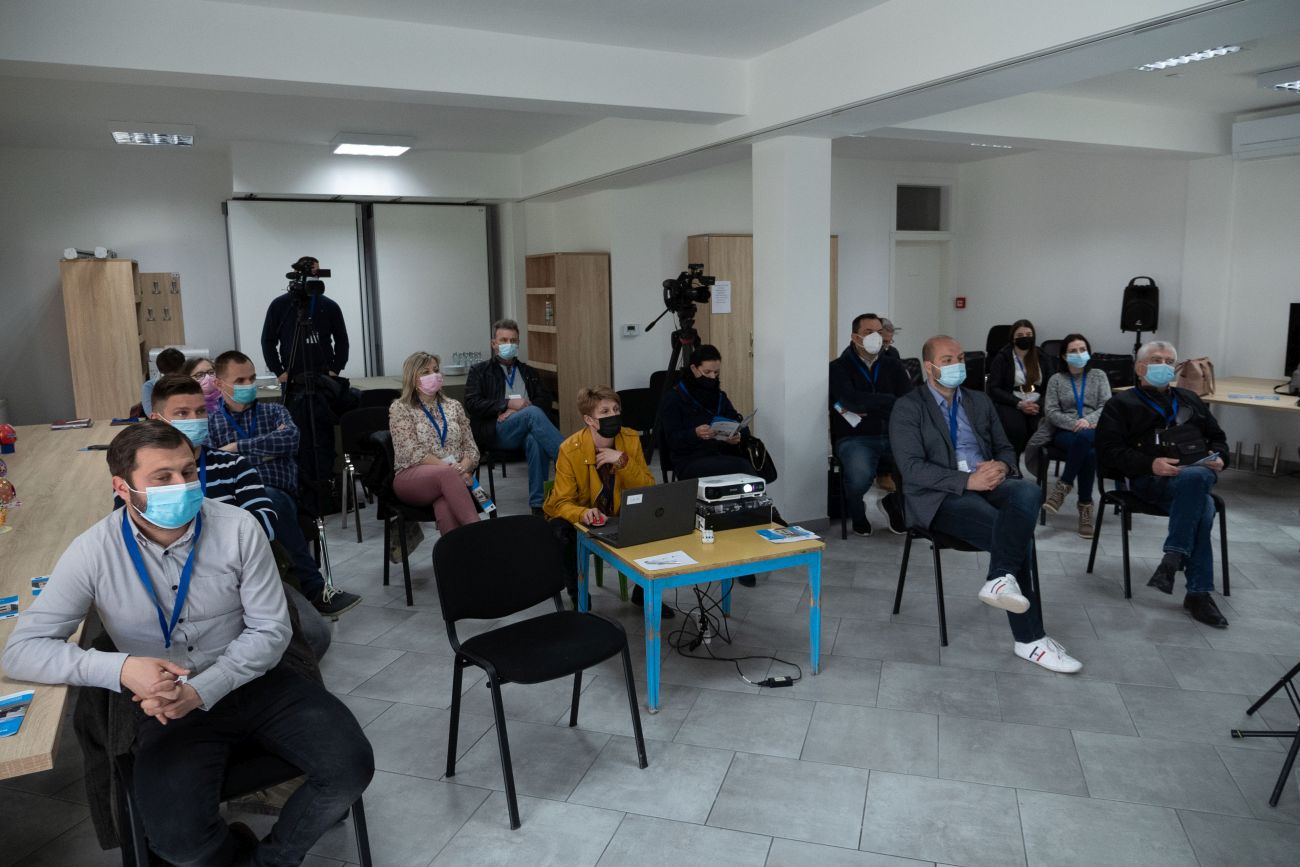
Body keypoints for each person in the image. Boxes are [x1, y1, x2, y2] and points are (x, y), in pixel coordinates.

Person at [1, 422, 374, 867]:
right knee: (179, 844)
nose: (182, 485)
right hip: (165, 703)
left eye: (189, 471)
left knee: (350, 768)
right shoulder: (93, 551)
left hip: (253, 678)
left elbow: (271, 631)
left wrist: (202, 689)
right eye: (162, 477)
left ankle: (271, 861)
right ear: (122, 488)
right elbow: (21, 650)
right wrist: (121, 669)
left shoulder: (238, 528)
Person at [889, 335, 1082, 673]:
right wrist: (966, 481)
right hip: (939, 497)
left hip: (988, 483)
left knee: (1027, 492)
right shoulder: (908, 407)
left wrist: (1002, 467)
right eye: (947, 360)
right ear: (929, 367)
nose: (957, 365)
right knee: (1017, 535)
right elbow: (912, 469)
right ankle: (1030, 640)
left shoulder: (979, 401)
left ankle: (998, 579)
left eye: (961, 358)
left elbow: (1006, 448)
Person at [143, 374, 331, 658]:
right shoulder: (143, 477)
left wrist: (187, 538)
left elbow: (263, 525)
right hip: (170, 585)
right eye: (182, 413)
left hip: (241, 579)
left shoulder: (233, 465)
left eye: (200, 411)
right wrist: (225, 533)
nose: (195, 419)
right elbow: (139, 536)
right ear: (157, 420)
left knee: (315, 635)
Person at [207, 350, 361, 618]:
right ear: (220, 384)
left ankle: (312, 591)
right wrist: (265, 452)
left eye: (252, 378)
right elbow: (213, 460)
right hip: (235, 498)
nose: (248, 385)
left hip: (278, 493)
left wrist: (235, 448)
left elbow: (290, 439)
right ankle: (287, 596)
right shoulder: (211, 423)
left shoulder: (275, 411)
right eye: (240, 381)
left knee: (270, 501)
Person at [1095, 341, 1231, 627]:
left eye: (1170, 362)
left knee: (1197, 480)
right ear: (1140, 368)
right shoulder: (1120, 404)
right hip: (1149, 481)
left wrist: (1220, 457)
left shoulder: (1189, 399)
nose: (1164, 366)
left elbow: (1218, 438)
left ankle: (1175, 559)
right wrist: (1150, 464)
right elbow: (1108, 452)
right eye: (1157, 360)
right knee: (1204, 506)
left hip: (1192, 475)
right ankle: (1196, 590)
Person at [543, 387, 671, 618]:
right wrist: (582, 513)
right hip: (583, 517)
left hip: (620, 512)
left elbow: (648, 488)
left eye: (616, 409)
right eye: (605, 411)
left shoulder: (630, 438)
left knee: (657, 519)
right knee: (560, 532)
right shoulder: (569, 449)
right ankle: (578, 595)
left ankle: (643, 593)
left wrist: (623, 461)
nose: (613, 415)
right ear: (589, 420)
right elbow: (561, 502)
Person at [260, 255, 354, 507]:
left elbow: (342, 340)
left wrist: (335, 369)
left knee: (323, 436)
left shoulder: (329, 306)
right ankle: (302, 489)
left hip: (323, 380)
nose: (314, 277)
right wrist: (279, 371)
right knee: (297, 436)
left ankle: (325, 486)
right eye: (310, 273)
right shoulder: (281, 305)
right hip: (293, 382)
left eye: (317, 273)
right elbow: (268, 341)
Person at [464, 319, 564, 514]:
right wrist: (506, 404)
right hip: (497, 431)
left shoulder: (529, 371)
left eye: (513, 340)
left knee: (535, 439)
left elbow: (545, 400)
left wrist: (519, 411)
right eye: (503, 340)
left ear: (518, 343)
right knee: (532, 413)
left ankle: (538, 506)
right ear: (494, 344)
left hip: (526, 427)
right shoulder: (480, 371)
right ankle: (571, 460)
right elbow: (472, 404)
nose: (508, 344)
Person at [829, 313, 910, 536]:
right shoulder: (838, 367)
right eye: (868, 332)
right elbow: (850, 401)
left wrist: (871, 403)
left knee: (915, 468)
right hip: (855, 437)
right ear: (855, 337)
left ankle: (891, 504)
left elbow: (906, 400)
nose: (875, 337)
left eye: (879, 332)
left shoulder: (893, 365)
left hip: (893, 434)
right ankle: (857, 512)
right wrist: (888, 400)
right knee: (858, 476)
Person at [1026, 334, 1111, 539]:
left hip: (1093, 429)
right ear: (1064, 356)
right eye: (1073, 351)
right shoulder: (1056, 380)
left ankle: (1064, 486)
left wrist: (1087, 421)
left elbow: (1106, 406)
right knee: (1089, 451)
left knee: (1087, 443)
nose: (1079, 354)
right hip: (1065, 432)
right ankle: (1085, 506)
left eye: (1082, 349)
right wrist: (1075, 424)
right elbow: (1051, 411)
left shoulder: (1098, 375)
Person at [388, 351, 481, 532]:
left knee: (445, 504)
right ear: (412, 378)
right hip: (411, 476)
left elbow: (471, 448)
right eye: (425, 372)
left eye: (436, 370)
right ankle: (479, 532)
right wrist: (452, 470)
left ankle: (455, 550)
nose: (433, 375)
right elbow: (413, 452)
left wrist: (463, 467)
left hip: (454, 476)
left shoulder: (453, 406)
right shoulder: (400, 408)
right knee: (446, 475)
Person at [988, 319, 1055, 456]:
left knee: (1040, 429)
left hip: (1037, 401)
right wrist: (1019, 404)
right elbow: (994, 388)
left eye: (1028, 335)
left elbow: (1052, 386)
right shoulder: (1003, 357)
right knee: (1016, 429)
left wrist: (1039, 404)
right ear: (1013, 339)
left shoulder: (1042, 356)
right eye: (1020, 335)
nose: (1025, 338)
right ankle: (1013, 462)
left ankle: (1036, 465)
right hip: (1011, 401)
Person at [141, 347, 185, 417]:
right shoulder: (149, 386)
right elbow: (151, 414)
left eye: (177, 374)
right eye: (170, 375)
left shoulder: (188, 383)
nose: (174, 379)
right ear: (161, 372)